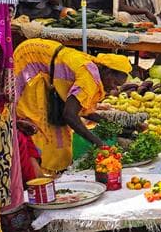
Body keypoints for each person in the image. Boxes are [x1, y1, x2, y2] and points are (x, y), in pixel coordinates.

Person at [13, 39, 132, 172]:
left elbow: (81, 108)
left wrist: (111, 125)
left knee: (58, 130)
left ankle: (57, 168)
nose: (113, 88)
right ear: (108, 72)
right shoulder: (89, 77)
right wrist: (100, 144)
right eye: (115, 82)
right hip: (29, 58)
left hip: (42, 59)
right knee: (37, 123)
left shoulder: (95, 70)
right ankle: (39, 172)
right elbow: (70, 115)